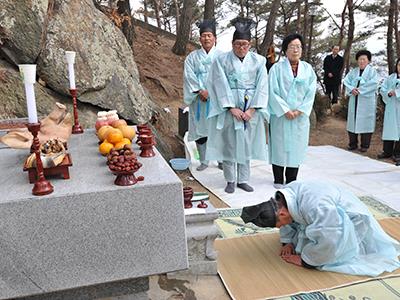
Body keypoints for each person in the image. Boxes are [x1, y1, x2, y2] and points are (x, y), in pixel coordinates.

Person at [241, 180, 400, 277]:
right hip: (326, 210)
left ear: (281, 213)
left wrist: (305, 261)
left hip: (352, 218)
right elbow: (289, 223)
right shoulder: (284, 197)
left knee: (339, 254)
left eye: (280, 225)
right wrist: (287, 242)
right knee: (298, 240)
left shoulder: (317, 208)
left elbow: (329, 240)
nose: (281, 227)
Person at [206, 17, 269, 194]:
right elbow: (218, 83)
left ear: (250, 45)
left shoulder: (259, 61)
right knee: (229, 144)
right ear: (232, 44)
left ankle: (243, 179)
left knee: (246, 144)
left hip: (250, 109)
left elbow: (263, 86)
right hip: (229, 109)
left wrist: (252, 109)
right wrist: (231, 107)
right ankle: (230, 180)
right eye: (238, 44)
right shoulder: (222, 61)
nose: (241, 48)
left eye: (245, 44)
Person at [268, 33, 317, 189]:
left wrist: (299, 110)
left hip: (299, 116)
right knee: (278, 145)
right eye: (292, 47)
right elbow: (271, 91)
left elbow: (311, 92)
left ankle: (291, 178)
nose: (296, 50)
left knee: (297, 146)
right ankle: (277, 178)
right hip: (281, 115)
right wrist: (284, 110)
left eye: (298, 47)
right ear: (285, 50)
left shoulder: (308, 69)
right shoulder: (276, 68)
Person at [183, 19, 223, 171]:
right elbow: (188, 76)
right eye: (204, 35)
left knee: (218, 131)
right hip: (198, 100)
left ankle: (221, 160)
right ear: (199, 38)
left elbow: (224, 79)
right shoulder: (192, 57)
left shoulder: (222, 57)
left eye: (209, 35)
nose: (206, 38)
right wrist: (200, 91)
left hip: (216, 101)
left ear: (215, 38)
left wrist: (211, 93)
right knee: (201, 131)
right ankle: (204, 161)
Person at [343, 50, 378, 152]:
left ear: (368, 61)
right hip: (355, 98)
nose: (361, 61)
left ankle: (365, 145)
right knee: (352, 121)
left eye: (364, 59)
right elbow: (346, 81)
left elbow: (374, 83)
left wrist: (360, 90)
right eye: (360, 59)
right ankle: (352, 144)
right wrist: (351, 89)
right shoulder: (353, 72)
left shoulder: (372, 72)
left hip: (366, 100)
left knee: (366, 122)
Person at [378, 57, 400, 165]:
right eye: (399, 65)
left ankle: (398, 154)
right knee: (389, 129)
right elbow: (382, 88)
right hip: (391, 107)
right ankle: (387, 151)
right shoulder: (391, 77)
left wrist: (397, 92)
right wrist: (388, 93)